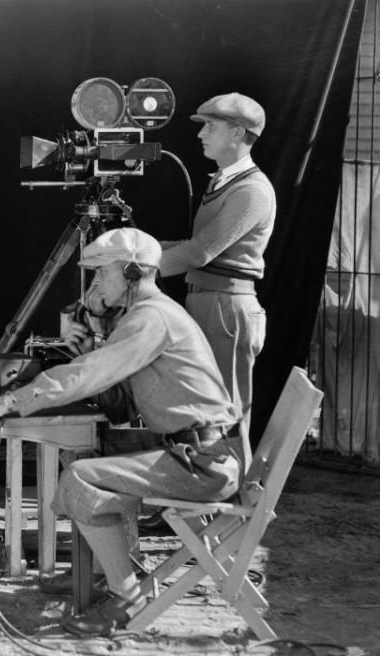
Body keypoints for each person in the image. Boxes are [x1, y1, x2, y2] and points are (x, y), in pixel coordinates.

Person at [0, 227, 243, 637]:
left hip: (202, 465)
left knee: (81, 479)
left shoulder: (151, 318)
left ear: (131, 275)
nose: (94, 288)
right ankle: (94, 571)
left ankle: (127, 596)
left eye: (101, 277)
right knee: (86, 453)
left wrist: (9, 402)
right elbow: (121, 408)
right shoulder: (143, 317)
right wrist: (94, 341)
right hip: (198, 452)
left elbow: (90, 376)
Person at [158, 92, 276, 453]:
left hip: (227, 308)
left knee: (227, 410)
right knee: (206, 410)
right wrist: (142, 246)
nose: (200, 134)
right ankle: (206, 501)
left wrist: (140, 267)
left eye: (211, 126)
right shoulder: (223, 181)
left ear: (238, 133)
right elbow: (198, 244)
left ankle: (234, 501)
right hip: (209, 303)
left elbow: (202, 250)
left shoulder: (252, 190)